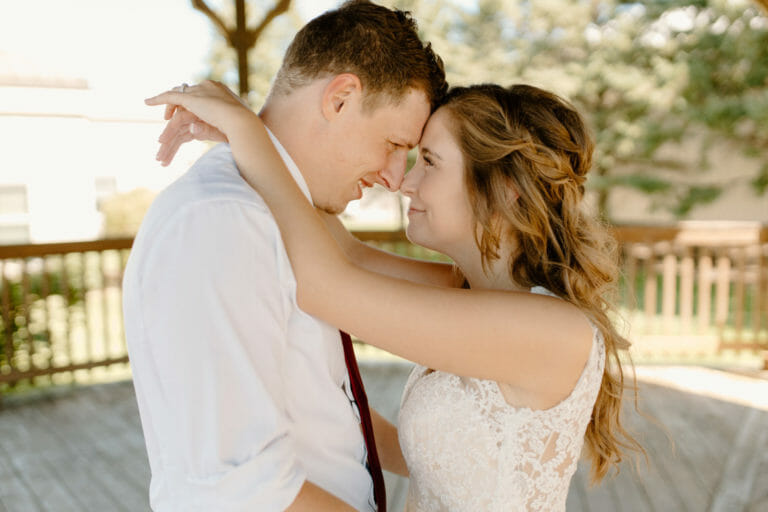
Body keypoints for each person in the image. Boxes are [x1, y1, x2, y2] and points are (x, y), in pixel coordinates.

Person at [146, 79, 644, 511]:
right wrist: (266, 131)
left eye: (429, 161)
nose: (405, 182)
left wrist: (246, 130)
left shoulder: (550, 331)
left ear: (505, 188)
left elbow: (325, 286)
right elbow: (345, 253)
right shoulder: (465, 294)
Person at [123, 1, 447, 511]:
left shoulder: (288, 217)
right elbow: (242, 488)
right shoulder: (224, 221)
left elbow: (325, 404)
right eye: (393, 143)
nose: (393, 175)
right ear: (340, 99)